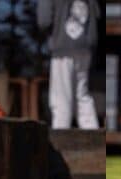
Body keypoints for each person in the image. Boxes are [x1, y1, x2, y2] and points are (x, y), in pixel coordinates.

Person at [37, 0, 100, 129]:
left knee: (61, 99)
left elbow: (44, 21)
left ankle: (61, 142)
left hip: (62, 48)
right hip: (85, 48)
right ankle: (94, 139)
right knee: (82, 97)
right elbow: (96, 14)